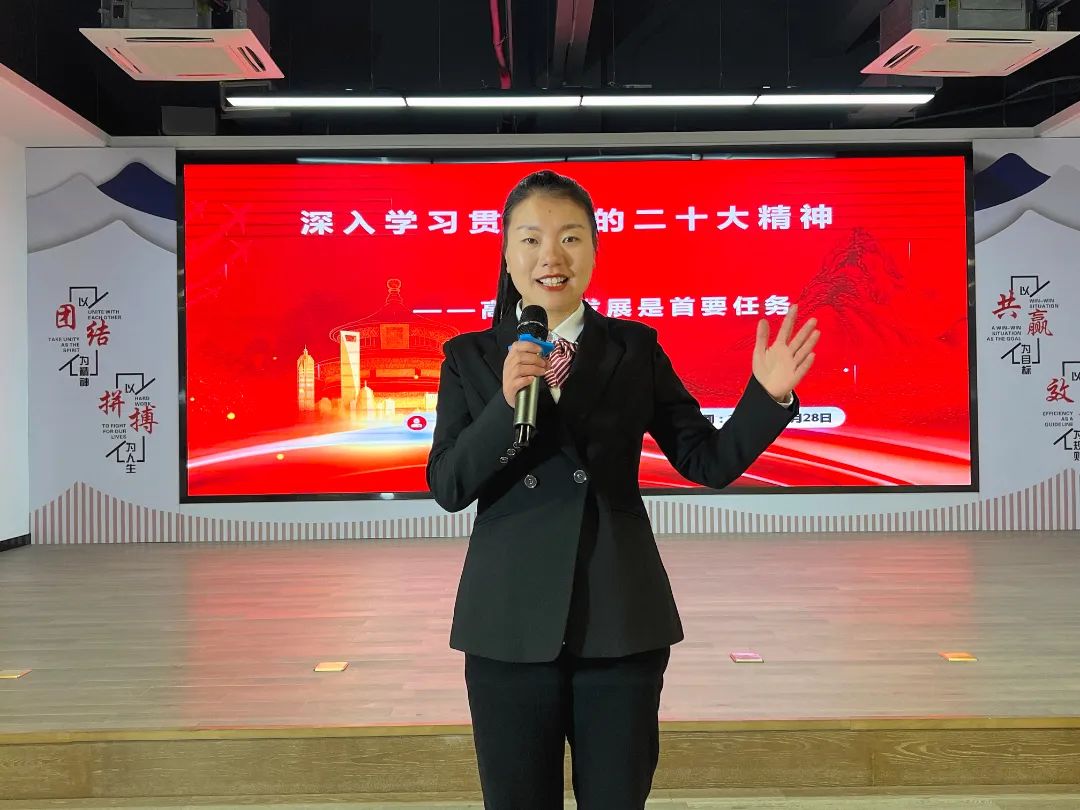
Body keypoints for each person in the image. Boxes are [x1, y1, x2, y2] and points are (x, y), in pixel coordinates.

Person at [426, 170, 820, 810]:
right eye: (531, 239)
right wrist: (505, 402)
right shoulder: (469, 357)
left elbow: (706, 460)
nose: (551, 257)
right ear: (506, 253)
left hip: (619, 620)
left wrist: (767, 397)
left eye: (570, 238)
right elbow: (449, 485)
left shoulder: (634, 348)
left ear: (594, 249)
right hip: (508, 623)